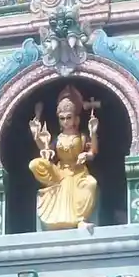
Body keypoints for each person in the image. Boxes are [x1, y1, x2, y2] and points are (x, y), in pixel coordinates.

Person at [28, 85, 99, 230]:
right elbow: (45, 150)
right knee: (35, 164)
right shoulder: (57, 139)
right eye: (62, 118)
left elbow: (93, 152)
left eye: (68, 117)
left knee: (91, 184)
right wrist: (36, 136)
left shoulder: (82, 137)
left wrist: (92, 136)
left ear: (76, 119)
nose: (65, 121)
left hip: (78, 172)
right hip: (60, 172)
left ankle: (80, 219)